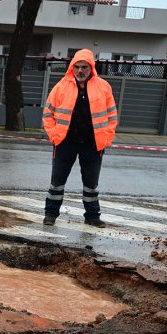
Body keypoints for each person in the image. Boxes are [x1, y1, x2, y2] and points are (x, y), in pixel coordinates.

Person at [42, 49, 118, 227]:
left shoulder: (103, 87)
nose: (80, 71)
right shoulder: (61, 86)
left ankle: (92, 216)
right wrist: (54, 135)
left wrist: (105, 137)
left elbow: (112, 116)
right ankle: (50, 214)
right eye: (77, 67)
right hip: (65, 141)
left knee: (91, 183)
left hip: (93, 143)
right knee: (57, 181)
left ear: (91, 68)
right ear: (72, 67)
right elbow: (48, 114)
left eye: (84, 67)